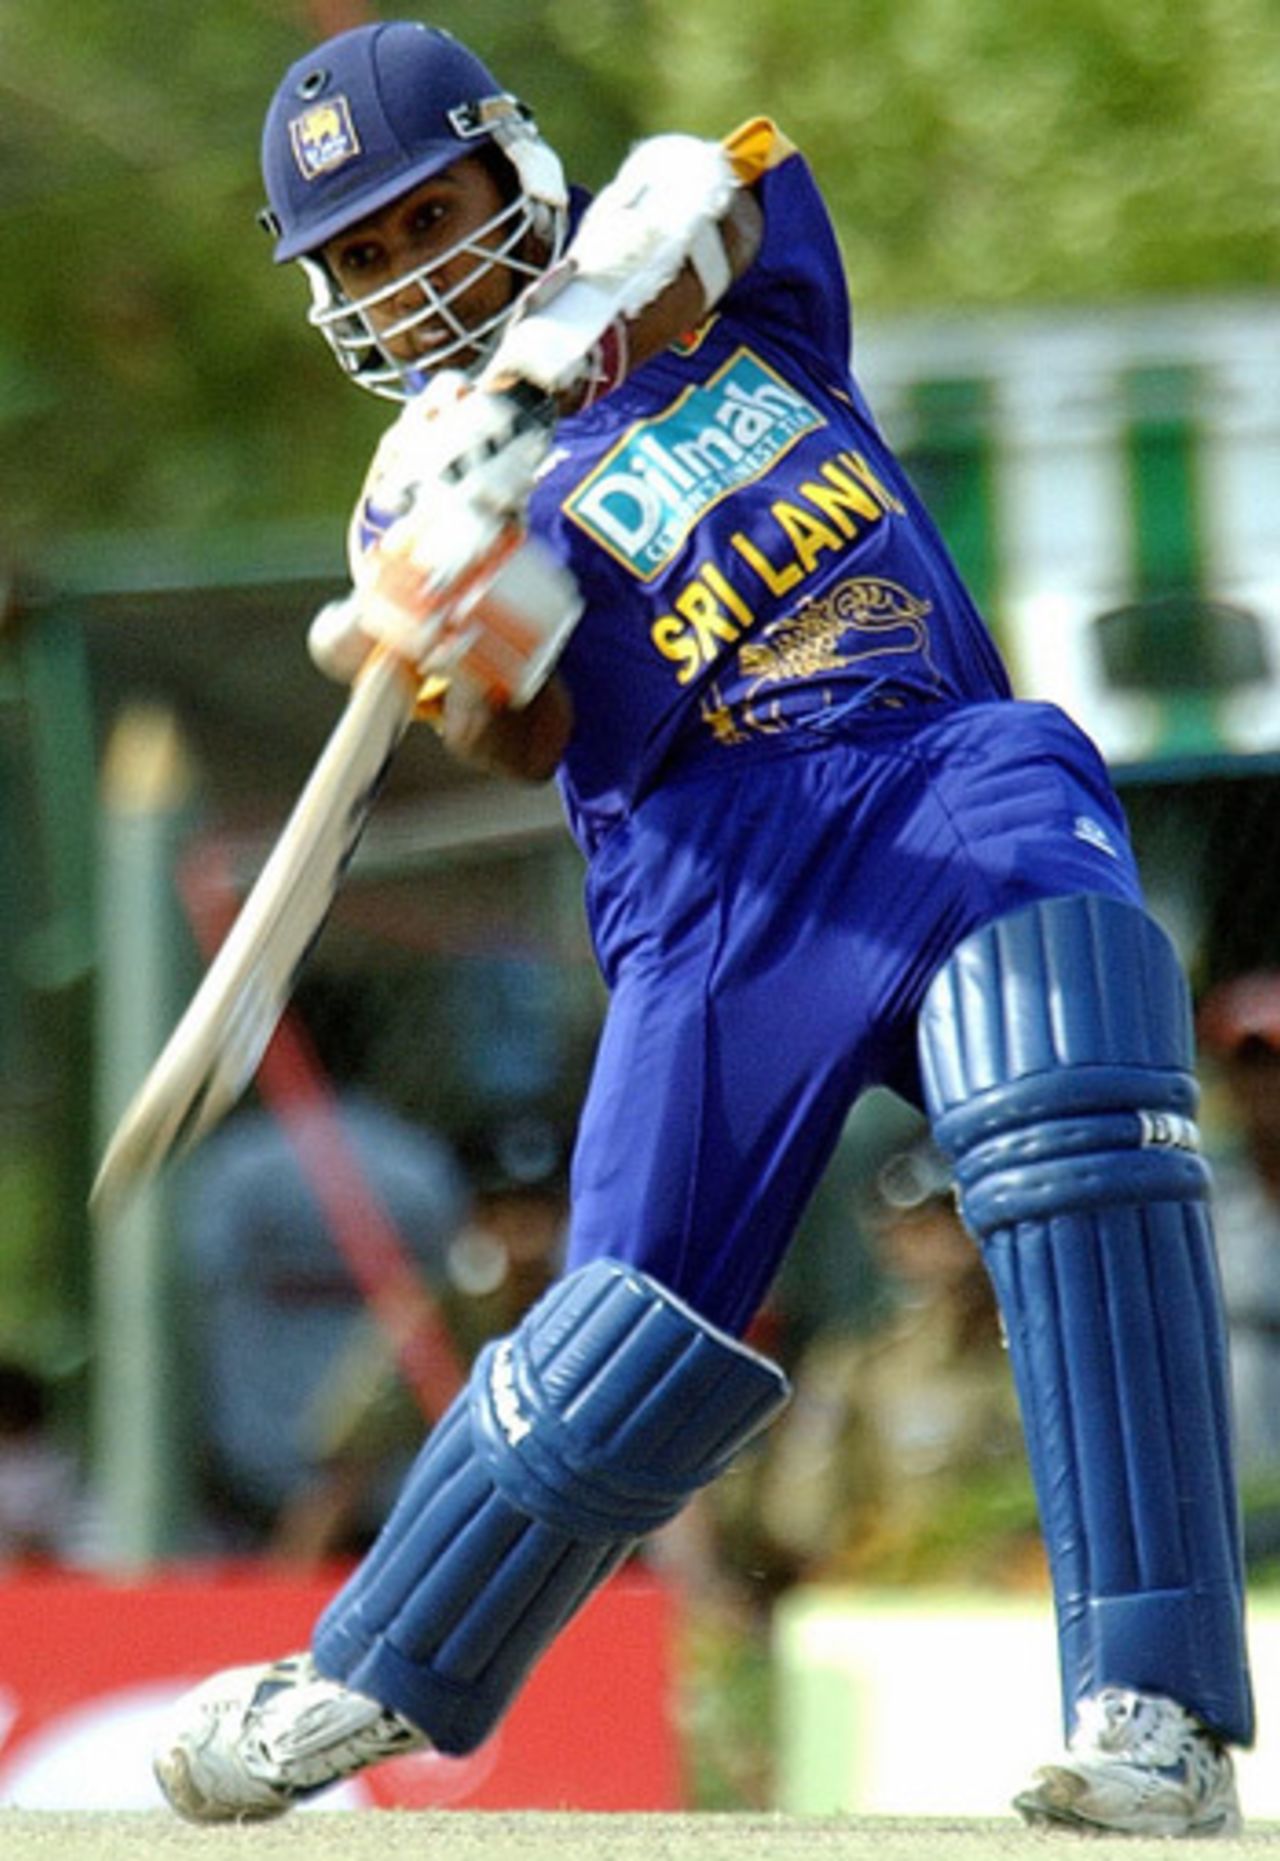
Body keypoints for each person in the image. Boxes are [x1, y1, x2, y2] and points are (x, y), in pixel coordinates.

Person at [152, 19, 1253, 1837]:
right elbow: (526, 739)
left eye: (429, 214)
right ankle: (373, 1668)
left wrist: (581, 325)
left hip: (934, 769)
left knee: (1080, 1129)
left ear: (511, 175)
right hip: (710, 884)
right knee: (626, 1332)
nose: (410, 267)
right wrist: (468, 612)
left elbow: (715, 190)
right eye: (362, 251)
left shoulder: (688, 287)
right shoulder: (413, 497)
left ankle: (1157, 1708)